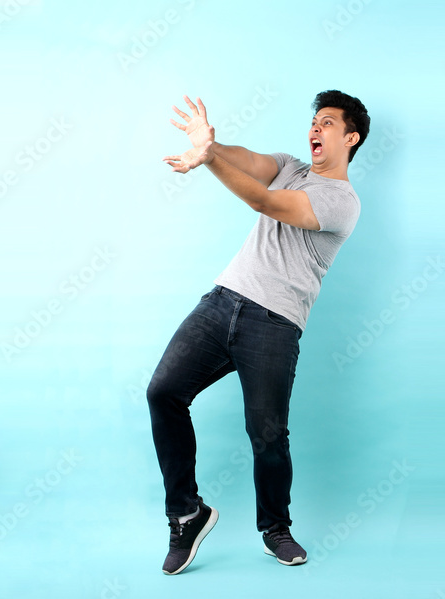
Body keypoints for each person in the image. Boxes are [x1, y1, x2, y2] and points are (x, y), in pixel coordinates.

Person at [148, 91, 370, 575]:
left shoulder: (342, 202)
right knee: (163, 392)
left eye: (328, 122)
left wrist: (207, 160)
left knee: (267, 433)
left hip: (275, 323)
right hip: (222, 301)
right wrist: (210, 144)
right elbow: (248, 162)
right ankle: (186, 514)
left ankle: (275, 529)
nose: (315, 128)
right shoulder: (290, 165)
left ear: (351, 138)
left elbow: (263, 201)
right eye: (314, 121)